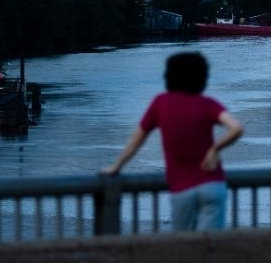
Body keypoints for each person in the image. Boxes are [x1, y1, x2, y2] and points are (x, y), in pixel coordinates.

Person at [101, 51, 244, 231]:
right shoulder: (208, 104)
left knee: (183, 248)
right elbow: (236, 128)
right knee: (209, 248)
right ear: (202, 77)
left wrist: (116, 167)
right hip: (212, 185)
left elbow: (136, 140)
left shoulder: (160, 104)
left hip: (182, 189)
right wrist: (215, 149)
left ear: (170, 77)